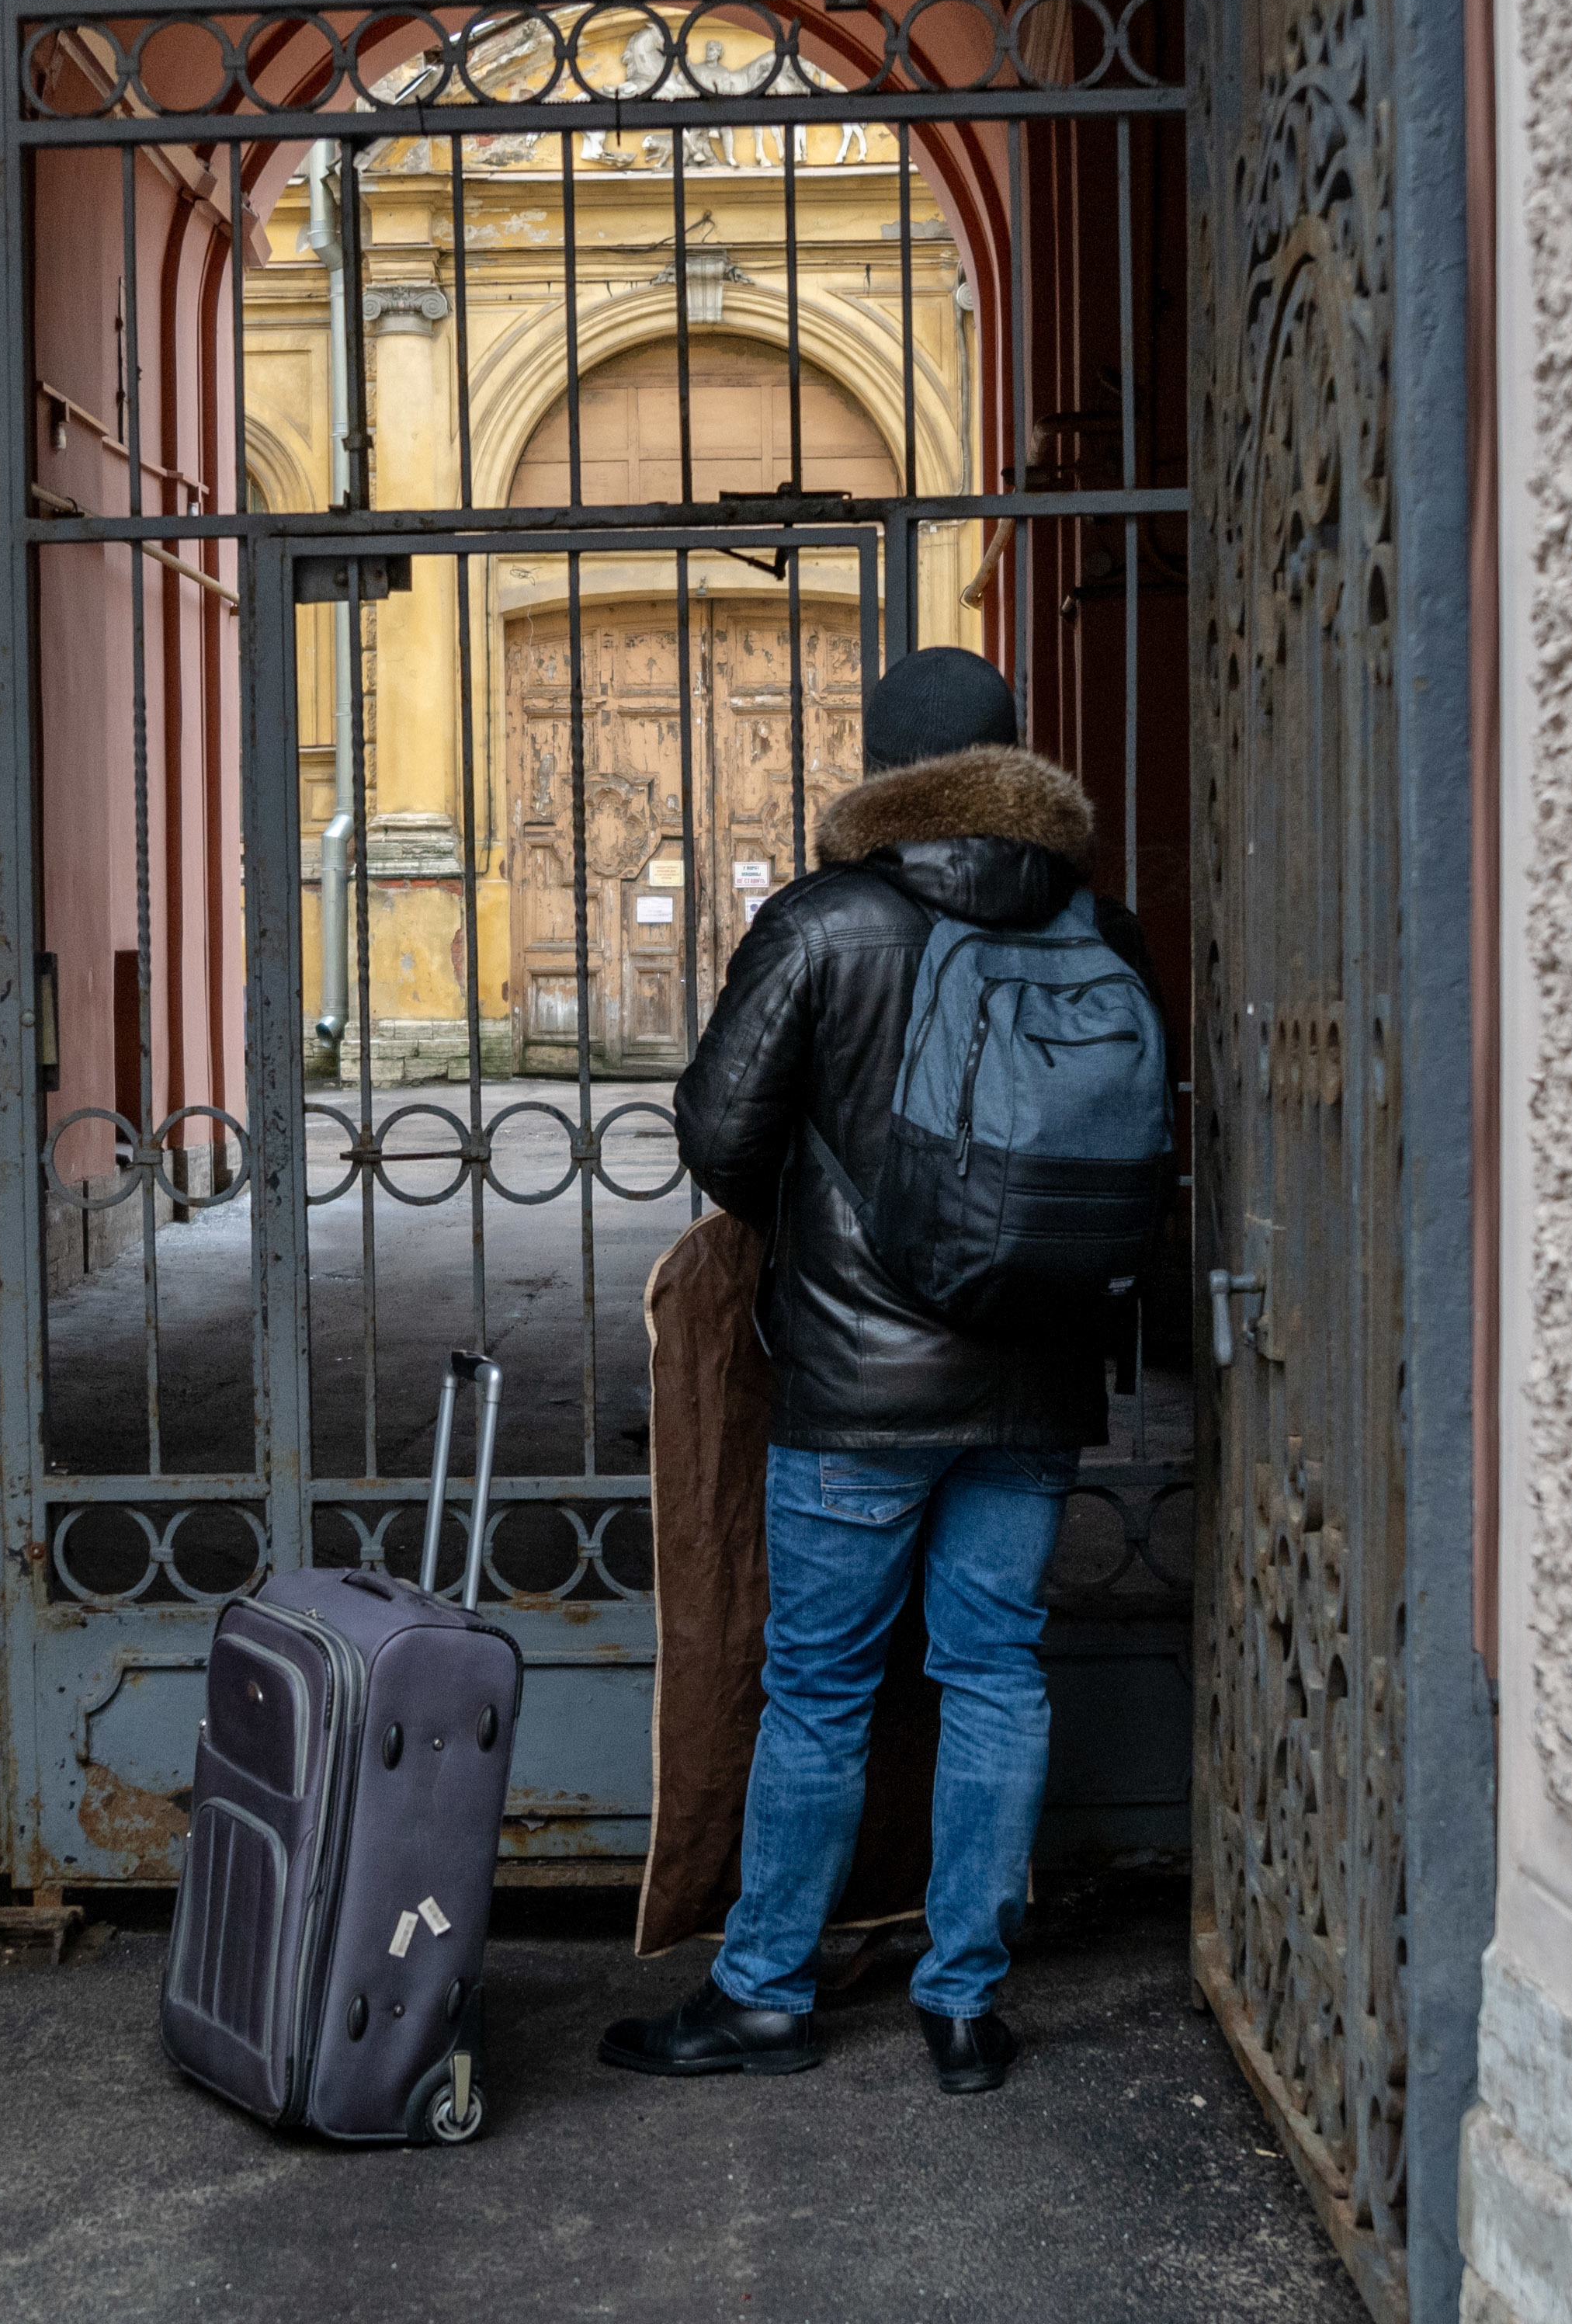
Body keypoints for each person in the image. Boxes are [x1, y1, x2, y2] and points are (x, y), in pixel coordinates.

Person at [600, 647, 1150, 2097]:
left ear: (884, 766)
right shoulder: (1100, 927)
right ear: (1013, 756)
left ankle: (765, 1992)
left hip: (856, 1386)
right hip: (1035, 1384)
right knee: (996, 1670)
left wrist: (828, 1225)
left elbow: (721, 1133)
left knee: (820, 1687)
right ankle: (963, 2003)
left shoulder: (828, 919)